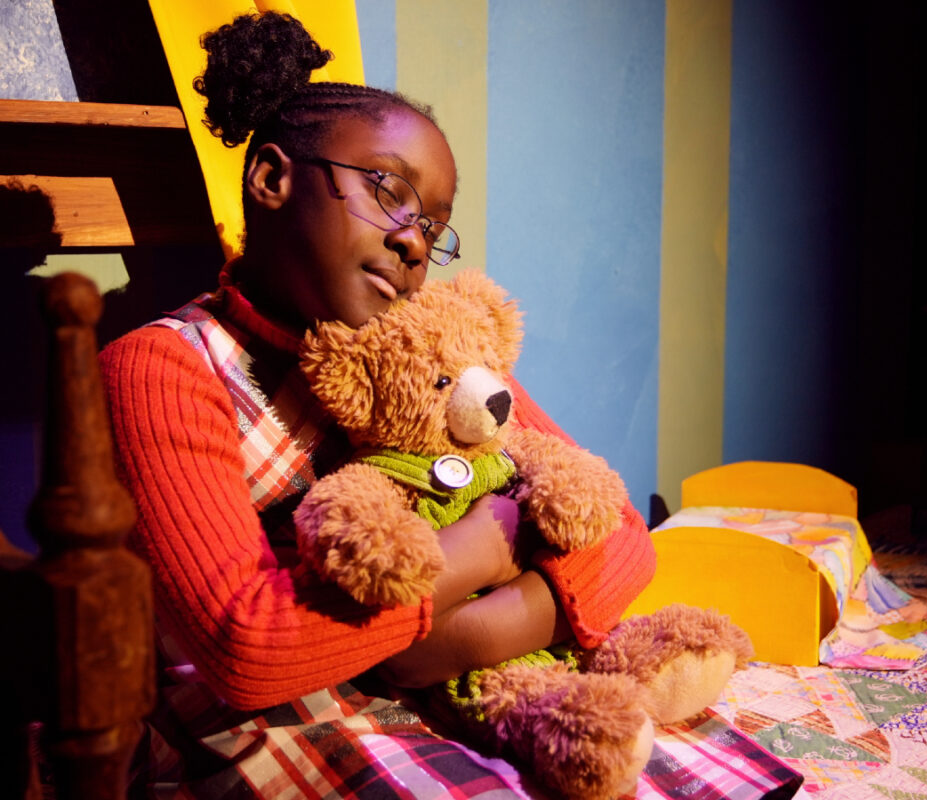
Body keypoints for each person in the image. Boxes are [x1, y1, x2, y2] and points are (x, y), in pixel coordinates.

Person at [99, 11, 654, 797]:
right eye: (388, 191)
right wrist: (492, 542)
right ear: (272, 179)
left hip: (456, 693)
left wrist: (456, 639)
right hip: (278, 734)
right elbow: (247, 648)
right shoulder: (165, 366)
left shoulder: (433, 353)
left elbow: (624, 535)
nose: (415, 242)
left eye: (433, 225)